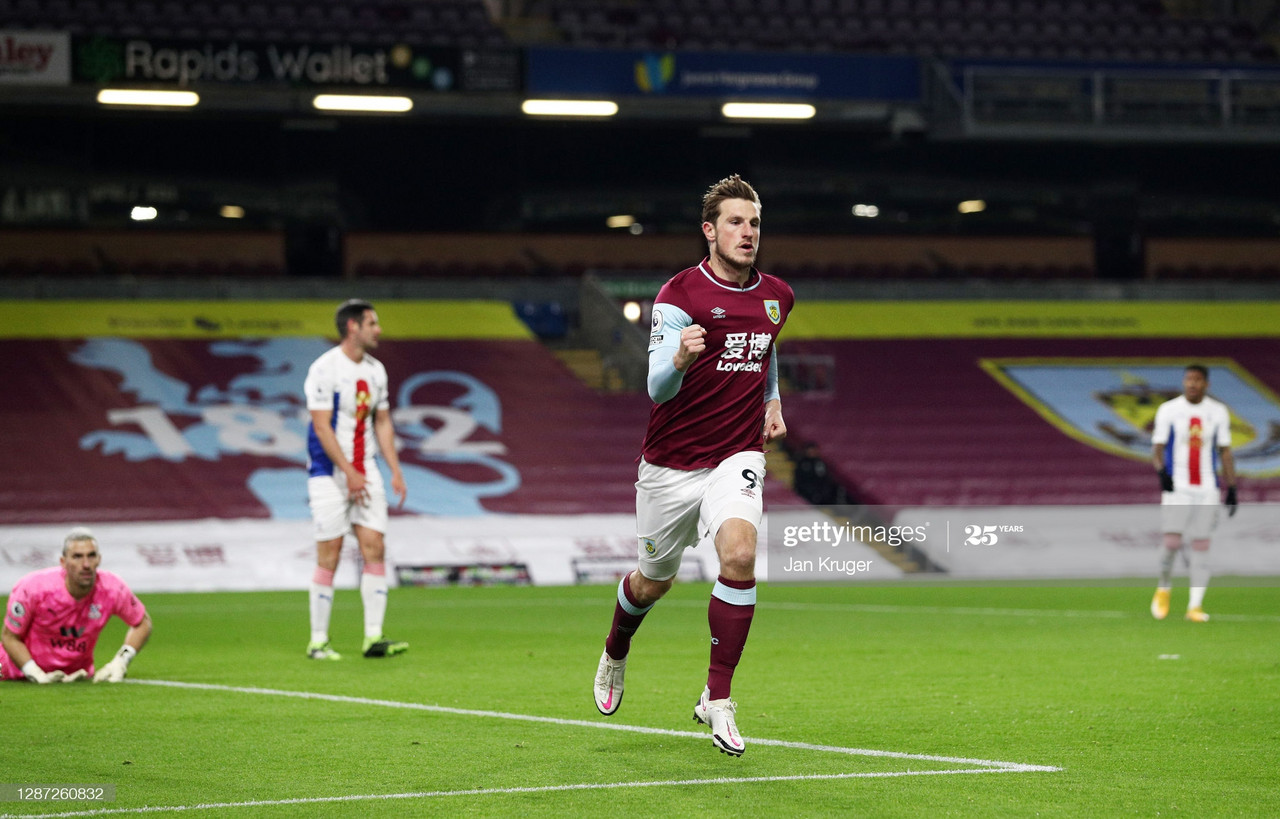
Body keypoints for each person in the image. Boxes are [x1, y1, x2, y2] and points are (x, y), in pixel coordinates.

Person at [592, 174, 793, 756]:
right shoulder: (678, 296)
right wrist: (679, 357)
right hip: (670, 465)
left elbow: (766, 343)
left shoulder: (777, 294)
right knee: (652, 582)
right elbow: (656, 389)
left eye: (754, 222)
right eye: (734, 222)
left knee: (738, 553)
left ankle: (718, 697)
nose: (747, 232)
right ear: (709, 231)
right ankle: (615, 651)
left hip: (736, 454)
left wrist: (773, 399)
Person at [304, 299, 409, 660]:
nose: (378, 330)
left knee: (374, 546)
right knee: (329, 552)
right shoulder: (325, 369)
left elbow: (381, 421)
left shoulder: (377, 371)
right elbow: (320, 426)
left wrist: (394, 469)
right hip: (328, 474)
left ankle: (373, 638)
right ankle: (318, 641)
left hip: (367, 472)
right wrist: (348, 473)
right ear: (353, 326)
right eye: (372, 323)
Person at [1, 527, 151, 683]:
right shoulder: (32, 588)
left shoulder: (112, 588)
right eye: (77, 557)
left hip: (76, 677)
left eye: (91, 556)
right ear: (63, 562)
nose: (86, 564)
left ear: (99, 559)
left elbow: (142, 622)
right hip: (13, 674)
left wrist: (122, 660)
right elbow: (9, 636)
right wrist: (35, 673)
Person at [1150, 364, 1238, 623]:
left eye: (1197, 380)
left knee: (1201, 545)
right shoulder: (1169, 409)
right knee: (1172, 543)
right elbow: (1157, 447)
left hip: (1207, 487)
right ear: (1184, 382)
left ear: (1206, 384)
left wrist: (1231, 487)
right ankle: (1164, 587)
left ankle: (1195, 606)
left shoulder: (1217, 411)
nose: (1192, 384)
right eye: (1189, 379)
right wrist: (1161, 473)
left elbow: (1225, 451)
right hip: (1178, 485)